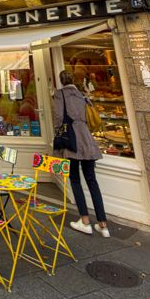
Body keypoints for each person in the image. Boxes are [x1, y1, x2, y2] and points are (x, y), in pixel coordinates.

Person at [54, 70, 110, 238]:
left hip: (72, 140)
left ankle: (85, 221)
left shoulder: (60, 95)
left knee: (75, 180)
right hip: (87, 139)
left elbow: (58, 118)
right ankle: (103, 224)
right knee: (92, 180)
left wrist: (57, 137)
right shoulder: (82, 95)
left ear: (61, 81)